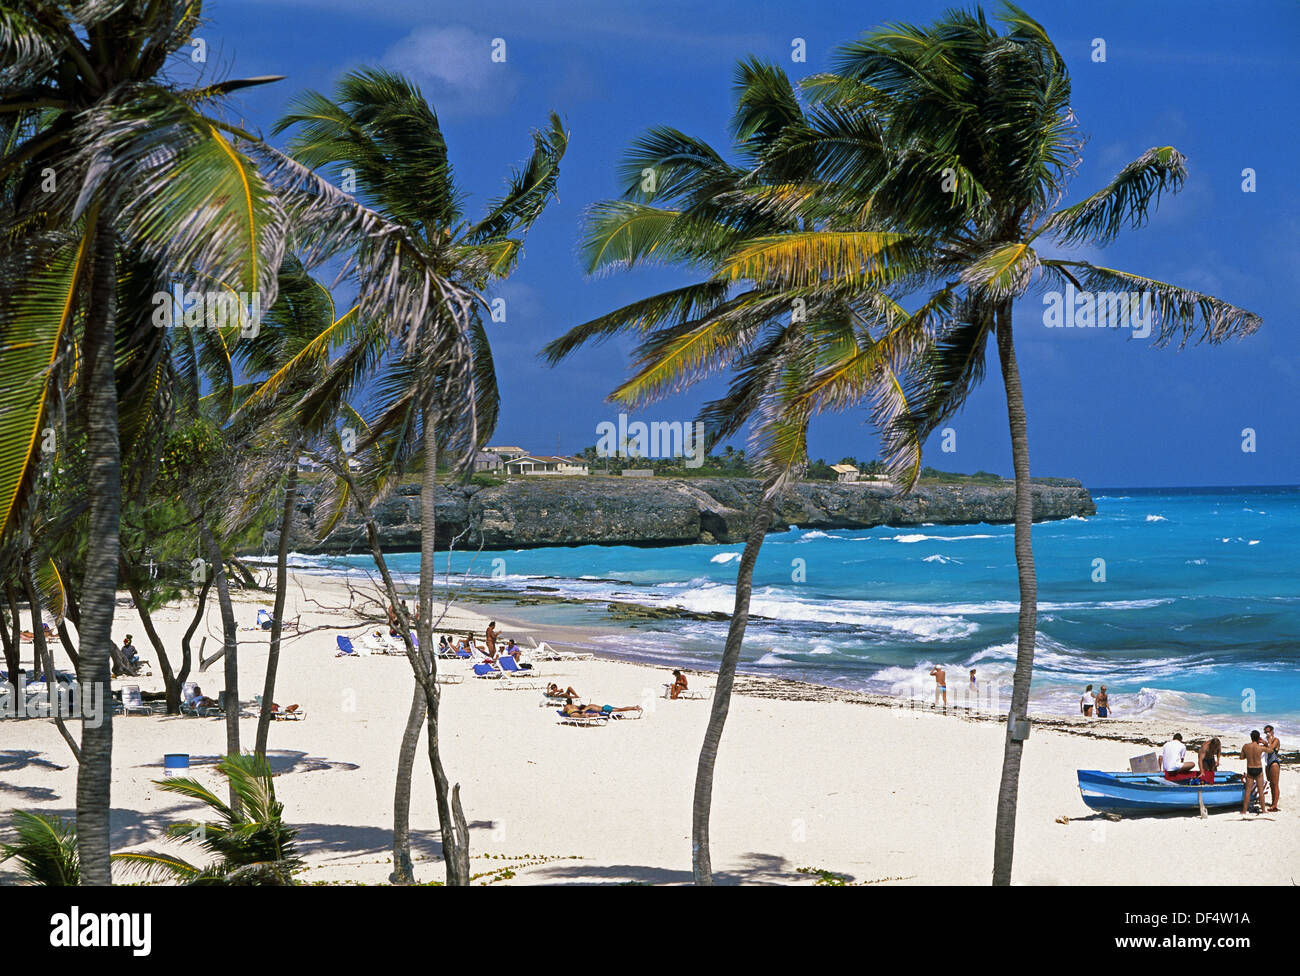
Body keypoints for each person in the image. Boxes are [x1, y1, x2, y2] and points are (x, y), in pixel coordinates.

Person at [1241, 730, 1268, 814]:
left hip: (1250, 769)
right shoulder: (1260, 747)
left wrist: (1247, 755)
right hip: (1258, 769)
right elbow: (1271, 750)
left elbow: (1241, 757)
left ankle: (1244, 811)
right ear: (1258, 738)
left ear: (1251, 737)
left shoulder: (1245, 746)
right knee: (1260, 791)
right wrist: (1265, 743)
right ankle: (1263, 810)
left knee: (1248, 791)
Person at [1262, 725, 1282, 812]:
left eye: (1268, 731)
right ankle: (1273, 802)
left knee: (1275, 784)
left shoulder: (1275, 740)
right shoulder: (1265, 741)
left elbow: (1270, 748)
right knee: (1271, 784)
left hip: (1274, 763)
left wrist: (1268, 740)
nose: (1267, 733)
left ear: (1272, 731)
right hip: (1267, 763)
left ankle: (1274, 805)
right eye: (1265, 732)